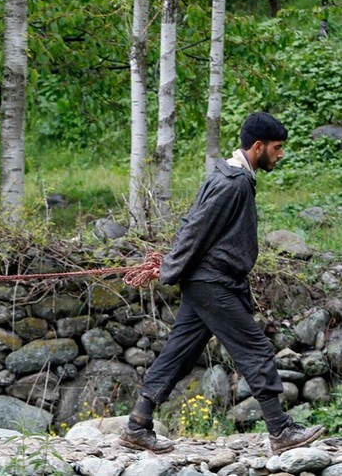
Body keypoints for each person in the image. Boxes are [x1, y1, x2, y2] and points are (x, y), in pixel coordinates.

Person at [119, 112, 325, 455]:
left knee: (178, 354)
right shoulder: (234, 183)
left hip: (208, 282)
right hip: (214, 284)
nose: (281, 154)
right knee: (255, 350)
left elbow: (193, 224)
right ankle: (280, 430)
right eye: (277, 148)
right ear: (258, 147)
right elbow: (196, 229)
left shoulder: (229, 176)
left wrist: (171, 267)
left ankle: (137, 425)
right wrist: (169, 268)